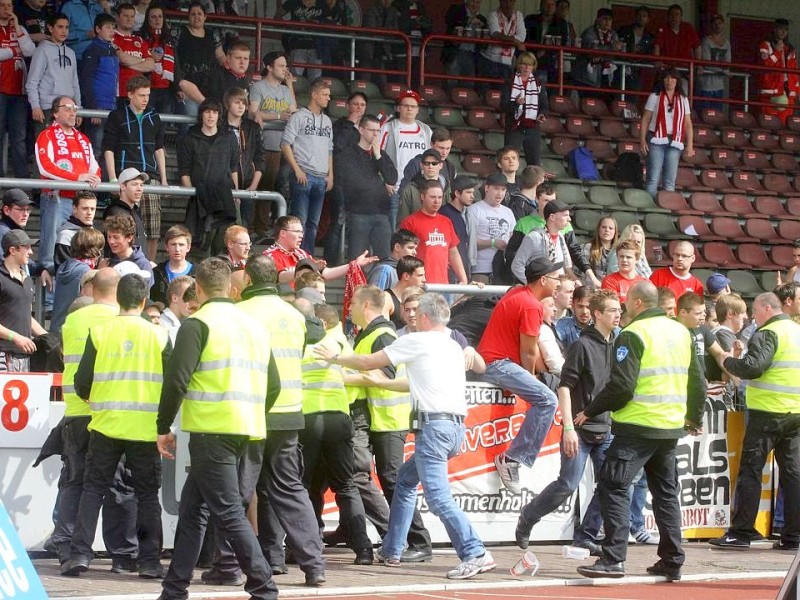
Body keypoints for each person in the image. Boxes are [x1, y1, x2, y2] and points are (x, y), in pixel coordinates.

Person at [316, 292, 496, 579]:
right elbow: (413, 383)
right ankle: (392, 548)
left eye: (415, 315)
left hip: (434, 429)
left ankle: (475, 552)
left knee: (437, 498)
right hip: (453, 428)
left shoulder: (416, 341)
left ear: (424, 317)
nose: (410, 319)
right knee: (405, 483)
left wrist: (336, 357)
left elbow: (367, 361)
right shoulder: (451, 345)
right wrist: (381, 384)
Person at [156, 258, 281, 600]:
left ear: (197, 287)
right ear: (230, 286)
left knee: (226, 511)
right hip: (247, 428)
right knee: (193, 509)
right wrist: (251, 411)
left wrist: (163, 426)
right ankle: (174, 587)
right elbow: (273, 386)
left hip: (211, 428)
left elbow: (177, 380)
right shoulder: (254, 326)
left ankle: (263, 585)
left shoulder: (197, 324)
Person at [575, 281, 705, 581]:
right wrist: (693, 418)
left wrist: (591, 410)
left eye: (626, 303)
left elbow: (622, 386)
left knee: (614, 487)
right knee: (666, 494)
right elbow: (697, 381)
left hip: (637, 426)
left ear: (636, 303)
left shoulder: (633, 334)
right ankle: (672, 560)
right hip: (670, 427)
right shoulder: (681, 331)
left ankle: (613, 559)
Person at [60, 273, 171, 578]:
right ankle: (149, 561)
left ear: (118, 299)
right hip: (144, 428)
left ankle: (80, 554)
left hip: (105, 425)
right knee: (148, 496)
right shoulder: (159, 335)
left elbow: (82, 382)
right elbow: (174, 383)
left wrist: (99, 401)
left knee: (93, 490)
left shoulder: (99, 331)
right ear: (144, 300)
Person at [232, 255, 327, 582]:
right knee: (289, 489)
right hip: (289, 412)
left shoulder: (240, 313)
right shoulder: (293, 314)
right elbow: (311, 339)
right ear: (276, 280)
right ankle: (314, 565)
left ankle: (229, 564)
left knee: (241, 490)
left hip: (252, 412)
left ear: (247, 281)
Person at [516, 289, 620, 553]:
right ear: (598, 314)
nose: (618, 314)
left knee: (611, 484)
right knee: (567, 484)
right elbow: (564, 387)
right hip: (580, 429)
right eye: (612, 310)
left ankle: (585, 534)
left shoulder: (617, 343)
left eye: (619, 309)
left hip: (606, 427)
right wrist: (569, 428)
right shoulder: (582, 346)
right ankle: (529, 515)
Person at [342, 284, 433, 562]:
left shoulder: (382, 334)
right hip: (382, 417)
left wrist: (342, 375)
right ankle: (404, 539)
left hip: (389, 418)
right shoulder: (374, 333)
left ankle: (419, 540)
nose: (349, 308)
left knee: (395, 481)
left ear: (367, 306)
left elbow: (384, 375)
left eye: (354, 304)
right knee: (392, 481)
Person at [710, 292, 800, 551]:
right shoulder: (795, 330)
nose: (752, 317)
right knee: (793, 476)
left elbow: (753, 368)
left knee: (750, 471)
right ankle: (792, 536)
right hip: (794, 413)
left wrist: (728, 360)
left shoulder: (768, 332)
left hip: (767, 413)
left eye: (756, 311)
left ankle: (741, 533)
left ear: (767, 308)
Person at [49, 268, 120, 564]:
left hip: (76, 411)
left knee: (74, 481)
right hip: (108, 413)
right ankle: (121, 554)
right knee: (115, 486)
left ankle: (66, 543)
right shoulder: (118, 320)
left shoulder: (72, 320)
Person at [298, 302, 371, 572]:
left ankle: (308, 545)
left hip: (309, 420)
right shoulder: (340, 345)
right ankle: (363, 548)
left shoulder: (301, 347)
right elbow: (353, 381)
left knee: (307, 487)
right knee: (347, 486)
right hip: (339, 418)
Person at [478, 256, 560, 493]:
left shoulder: (518, 292)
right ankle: (512, 459)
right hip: (498, 364)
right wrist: (531, 377)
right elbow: (528, 351)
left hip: (495, 362)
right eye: (556, 279)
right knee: (547, 400)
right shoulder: (531, 305)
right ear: (543, 279)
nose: (558, 283)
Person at [103, 74, 167, 260]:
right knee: (123, 225)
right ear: (129, 94)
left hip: (150, 175)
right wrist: (113, 178)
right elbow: (108, 148)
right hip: (125, 175)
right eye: (141, 95)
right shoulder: (117, 116)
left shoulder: (154, 116)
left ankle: (150, 264)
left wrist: (163, 179)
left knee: (153, 228)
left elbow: (159, 148)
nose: (145, 99)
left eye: (147, 95)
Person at [35, 94, 101, 273]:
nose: (73, 112)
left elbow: (94, 166)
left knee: (84, 248)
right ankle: (48, 300)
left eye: (74, 108)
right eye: (67, 108)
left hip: (80, 203)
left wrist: (95, 176)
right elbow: (45, 167)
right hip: (56, 200)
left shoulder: (83, 139)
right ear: (55, 113)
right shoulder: (46, 135)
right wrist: (76, 178)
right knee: (50, 252)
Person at [177, 98, 239, 253]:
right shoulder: (189, 138)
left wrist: (237, 193)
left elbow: (233, 168)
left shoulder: (229, 138)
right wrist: (191, 194)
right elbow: (184, 171)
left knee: (226, 245)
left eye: (215, 112)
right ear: (201, 115)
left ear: (219, 115)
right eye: (207, 112)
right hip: (201, 198)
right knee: (201, 247)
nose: (211, 116)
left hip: (225, 196)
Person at [335, 113, 398, 261]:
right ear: (361, 130)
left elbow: (392, 178)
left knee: (385, 259)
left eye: (378, 131)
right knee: (357, 261)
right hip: (359, 212)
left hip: (382, 213)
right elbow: (356, 182)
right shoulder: (348, 154)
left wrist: (378, 156)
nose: (375, 134)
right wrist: (379, 183)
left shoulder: (381, 155)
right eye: (372, 130)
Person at [281, 77, 333, 254]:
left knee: (313, 224)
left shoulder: (327, 121)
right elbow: (285, 143)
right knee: (300, 222)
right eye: (325, 94)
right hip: (304, 174)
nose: (328, 98)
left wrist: (330, 175)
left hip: (321, 176)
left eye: (329, 95)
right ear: (314, 94)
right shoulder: (299, 116)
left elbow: (329, 149)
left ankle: (307, 256)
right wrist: (297, 170)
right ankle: (296, 256)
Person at [248, 51, 297, 236]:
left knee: (278, 186)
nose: (285, 69)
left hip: (284, 145)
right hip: (266, 143)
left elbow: (293, 110)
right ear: (269, 67)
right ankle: (254, 228)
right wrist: (277, 116)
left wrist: (290, 84)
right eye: (281, 66)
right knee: (263, 185)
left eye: (286, 66)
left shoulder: (285, 89)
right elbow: (253, 111)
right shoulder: (258, 87)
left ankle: (266, 227)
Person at [264, 215, 376, 284]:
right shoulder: (269, 255)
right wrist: (309, 268)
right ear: (283, 233)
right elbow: (281, 277)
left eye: (302, 232)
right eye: (297, 232)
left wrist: (354, 264)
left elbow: (326, 273)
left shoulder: (301, 253)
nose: (301, 235)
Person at [399, 179, 468, 286]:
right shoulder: (410, 222)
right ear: (422, 197)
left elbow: (453, 252)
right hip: (419, 285)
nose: (437, 201)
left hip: (444, 284)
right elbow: (403, 256)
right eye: (432, 197)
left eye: (440, 197)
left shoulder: (446, 221)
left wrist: (464, 279)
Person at [640, 66, 695, 198]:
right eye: (666, 78)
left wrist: (690, 145)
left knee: (670, 180)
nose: (669, 81)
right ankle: (649, 207)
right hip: (655, 139)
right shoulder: (655, 97)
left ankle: (665, 209)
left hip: (675, 141)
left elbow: (688, 123)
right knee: (653, 177)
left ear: (677, 81)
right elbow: (645, 119)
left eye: (672, 78)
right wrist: (642, 141)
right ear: (662, 80)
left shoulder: (683, 99)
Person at [0, 230, 47, 372]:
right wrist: (15, 338)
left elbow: (26, 316)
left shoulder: (27, 279)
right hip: (3, 354)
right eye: (26, 247)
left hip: (24, 356)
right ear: (13, 250)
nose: (31, 252)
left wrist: (48, 338)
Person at [174, 1, 225, 124]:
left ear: (205, 16)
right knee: (190, 120)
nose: (196, 17)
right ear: (188, 16)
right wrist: (177, 87)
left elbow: (221, 56)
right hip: (186, 86)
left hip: (209, 86)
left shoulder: (212, 34)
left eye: (199, 14)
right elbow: (173, 60)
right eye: (193, 14)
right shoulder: (179, 32)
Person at [0, 0, 34, 180]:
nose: (7, 9)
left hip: (19, 91)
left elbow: (29, 51)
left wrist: (17, 28)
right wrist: (14, 51)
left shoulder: (19, 28)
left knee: (19, 138)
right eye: (2, 5)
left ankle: (22, 179)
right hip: (1, 89)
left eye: (9, 6)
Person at [224, 86, 265, 227]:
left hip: (248, 183)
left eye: (243, 103)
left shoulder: (253, 128)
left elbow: (260, 158)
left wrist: (253, 185)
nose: (241, 106)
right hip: (224, 185)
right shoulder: (219, 127)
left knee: (244, 227)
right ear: (227, 104)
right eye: (237, 102)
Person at [78, 13, 118, 155]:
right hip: (97, 107)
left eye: (113, 27)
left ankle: (106, 177)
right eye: (108, 27)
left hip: (111, 105)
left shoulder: (112, 49)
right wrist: (92, 107)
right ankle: (93, 177)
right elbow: (86, 81)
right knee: (95, 148)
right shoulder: (92, 50)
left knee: (108, 148)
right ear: (97, 29)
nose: (112, 31)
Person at [51, 227, 105, 332]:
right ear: (95, 251)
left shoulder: (64, 266)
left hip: (58, 327)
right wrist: (102, 272)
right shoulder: (86, 272)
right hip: (75, 329)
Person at [501, 52, 548, 168]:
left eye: (530, 65)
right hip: (514, 127)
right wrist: (516, 104)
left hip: (533, 127)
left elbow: (544, 105)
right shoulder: (510, 82)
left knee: (534, 164)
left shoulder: (538, 84)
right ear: (518, 65)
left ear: (533, 66)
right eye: (524, 64)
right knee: (509, 161)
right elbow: (503, 106)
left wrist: (542, 114)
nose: (527, 67)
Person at [469, 173, 516, 283]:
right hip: (481, 269)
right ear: (486, 188)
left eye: (503, 189)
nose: (500, 193)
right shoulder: (475, 210)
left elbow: (513, 236)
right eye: (496, 189)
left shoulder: (508, 212)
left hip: (504, 269)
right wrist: (493, 242)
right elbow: (469, 241)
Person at [179, 40, 252, 105]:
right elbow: (184, 83)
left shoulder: (245, 81)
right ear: (228, 58)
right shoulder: (214, 74)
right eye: (238, 58)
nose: (242, 62)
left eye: (246, 59)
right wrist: (206, 104)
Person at [135, 4, 176, 114]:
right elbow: (133, 61)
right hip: (147, 87)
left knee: (162, 128)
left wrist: (178, 88)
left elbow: (177, 65)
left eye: (160, 16)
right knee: (147, 123)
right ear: (147, 19)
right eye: (153, 17)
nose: (157, 20)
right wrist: (148, 56)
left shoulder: (170, 39)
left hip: (166, 89)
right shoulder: (139, 37)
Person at [573, 9, 622, 100]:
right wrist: (612, 48)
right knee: (588, 103)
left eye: (610, 19)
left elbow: (617, 50)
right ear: (597, 19)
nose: (607, 22)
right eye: (604, 18)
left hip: (606, 76)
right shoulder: (589, 32)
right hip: (587, 77)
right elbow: (592, 49)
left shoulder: (614, 34)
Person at [113, 3, 155, 107]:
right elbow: (122, 58)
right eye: (126, 16)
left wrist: (128, 62)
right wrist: (142, 60)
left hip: (138, 93)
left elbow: (151, 65)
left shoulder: (139, 40)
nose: (129, 19)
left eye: (132, 16)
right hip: (119, 92)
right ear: (117, 17)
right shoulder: (112, 37)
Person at [758, 19, 799, 124]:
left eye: (786, 29)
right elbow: (766, 64)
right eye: (781, 29)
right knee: (769, 124)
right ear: (774, 29)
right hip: (771, 92)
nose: (784, 32)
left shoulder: (790, 49)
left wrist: (797, 90)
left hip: (788, 91)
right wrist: (776, 51)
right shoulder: (765, 45)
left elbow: (795, 72)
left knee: (786, 125)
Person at [477, 0, 525, 86]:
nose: (508, 4)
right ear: (500, 2)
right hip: (490, 59)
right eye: (505, 1)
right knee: (486, 91)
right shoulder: (493, 14)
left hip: (507, 62)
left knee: (504, 92)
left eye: (511, 1)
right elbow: (495, 34)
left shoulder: (518, 15)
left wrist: (509, 39)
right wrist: (515, 41)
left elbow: (522, 36)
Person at [440, 175, 477, 284]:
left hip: (462, 269)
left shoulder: (465, 214)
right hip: (450, 273)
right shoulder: (444, 213)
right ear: (457, 193)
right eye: (468, 192)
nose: (472, 196)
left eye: (473, 193)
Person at [523, 0, 568, 84]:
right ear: (541, 6)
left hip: (550, 61)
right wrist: (536, 52)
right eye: (547, 4)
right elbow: (525, 38)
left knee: (550, 89)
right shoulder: (530, 19)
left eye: (552, 4)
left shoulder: (561, 23)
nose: (549, 7)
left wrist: (546, 51)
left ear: (555, 7)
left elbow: (563, 42)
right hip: (530, 59)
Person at [443, 0, 487, 86]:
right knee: (451, 83)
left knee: (468, 85)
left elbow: (484, 44)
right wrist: (469, 21)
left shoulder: (482, 19)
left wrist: (484, 33)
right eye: (472, 2)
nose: (474, 5)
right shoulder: (455, 10)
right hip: (455, 53)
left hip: (472, 56)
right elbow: (449, 21)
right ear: (467, 1)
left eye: (477, 2)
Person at [104, 167, 147, 249]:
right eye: (134, 184)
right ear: (123, 186)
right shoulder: (116, 212)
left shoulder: (135, 210)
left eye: (141, 185)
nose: (139, 189)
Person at [151, 225, 194, 305]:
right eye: (173, 244)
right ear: (166, 247)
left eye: (181, 245)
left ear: (188, 247)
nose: (177, 249)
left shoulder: (197, 274)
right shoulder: (157, 273)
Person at [105, 214, 153, 286]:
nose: (111, 241)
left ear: (129, 238)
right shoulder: (107, 263)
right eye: (109, 237)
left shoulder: (143, 264)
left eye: (116, 237)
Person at [54, 191, 97, 272]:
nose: (89, 213)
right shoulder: (65, 235)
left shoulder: (95, 233)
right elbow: (63, 272)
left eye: (92, 209)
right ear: (74, 209)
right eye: (85, 208)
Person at [697, 14, 731, 113]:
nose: (717, 25)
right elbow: (707, 62)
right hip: (706, 85)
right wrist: (724, 70)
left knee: (717, 115)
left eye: (719, 23)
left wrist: (724, 69)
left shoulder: (727, 43)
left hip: (719, 85)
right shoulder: (706, 41)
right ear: (711, 25)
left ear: (723, 24)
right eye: (715, 23)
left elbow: (728, 63)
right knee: (704, 114)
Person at [616, 5, 654, 93]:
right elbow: (617, 46)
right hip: (621, 68)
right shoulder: (624, 30)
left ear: (648, 19)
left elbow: (649, 55)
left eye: (644, 16)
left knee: (633, 98)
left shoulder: (650, 37)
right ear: (635, 17)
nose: (641, 18)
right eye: (639, 15)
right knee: (618, 96)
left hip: (638, 72)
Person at [385, 255, 425, 327]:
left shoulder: (422, 296)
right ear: (406, 276)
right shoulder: (387, 298)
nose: (424, 280)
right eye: (420, 276)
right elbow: (384, 329)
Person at [159, 275, 194, 345]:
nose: (193, 302)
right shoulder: (161, 324)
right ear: (175, 298)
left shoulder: (190, 323)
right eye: (188, 296)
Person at [583, 215, 618, 283]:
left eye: (610, 228)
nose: (607, 230)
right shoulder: (587, 247)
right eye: (604, 227)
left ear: (615, 232)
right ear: (598, 229)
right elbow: (582, 272)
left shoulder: (618, 251)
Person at [555, 284, 591, 348]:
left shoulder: (600, 326)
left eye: (588, 307)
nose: (584, 312)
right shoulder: (564, 324)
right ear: (573, 305)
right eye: (580, 306)